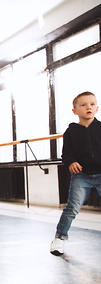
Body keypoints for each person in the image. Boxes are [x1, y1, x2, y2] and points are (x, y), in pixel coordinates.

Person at [50, 91, 101, 255]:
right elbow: (67, 154)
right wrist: (71, 162)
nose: (89, 107)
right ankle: (59, 238)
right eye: (84, 104)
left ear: (97, 108)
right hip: (82, 176)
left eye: (92, 104)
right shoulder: (70, 132)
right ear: (75, 111)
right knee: (72, 207)